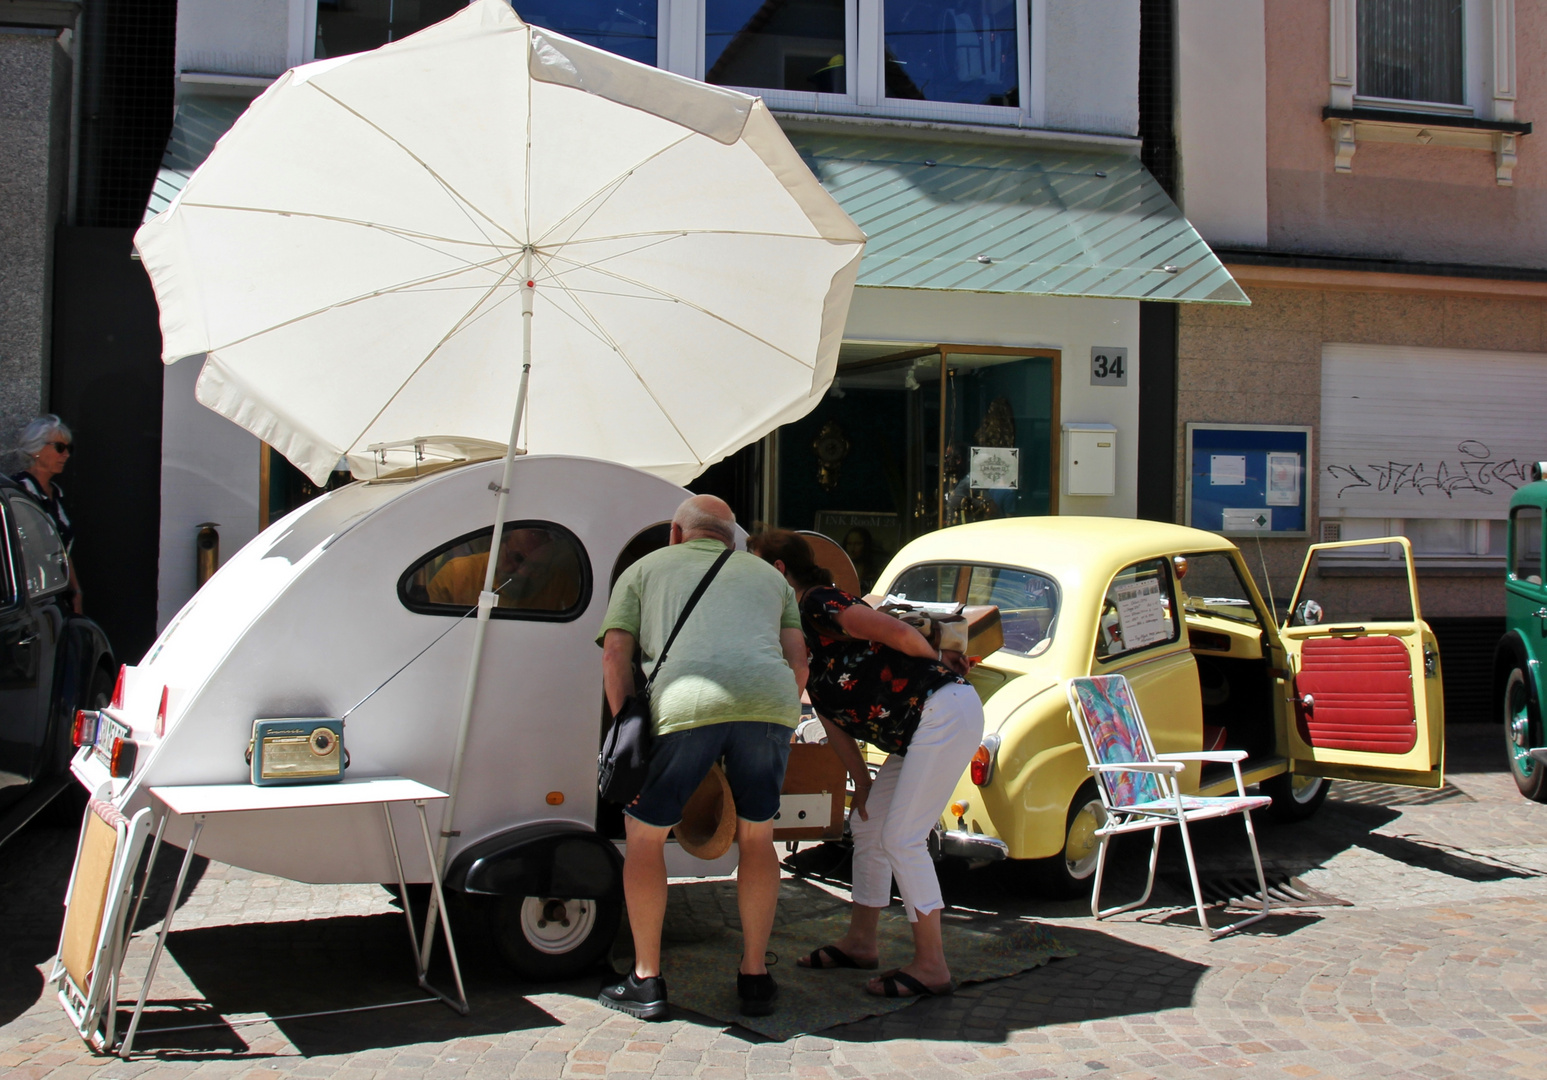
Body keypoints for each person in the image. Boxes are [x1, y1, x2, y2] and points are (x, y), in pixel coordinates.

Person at [597, 495, 808, 1021]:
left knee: (646, 836)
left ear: (676, 532)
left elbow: (614, 653)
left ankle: (646, 979)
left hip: (686, 701)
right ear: (731, 538)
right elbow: (797, 660)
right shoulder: (770, 578)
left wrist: (630, 726)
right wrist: (772, 710)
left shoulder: (643, 570)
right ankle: (755, 975)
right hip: (770, 704)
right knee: (758, 837)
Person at [750, 528, 984, 999]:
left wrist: (938, 660)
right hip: (920, 724)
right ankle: (861, 941)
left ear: (777, 572)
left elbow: (896, 632)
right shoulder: (794, 626)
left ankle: (931, 964)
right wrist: (860, 781)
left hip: (941, 709)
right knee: (873, 826)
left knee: (903, 837)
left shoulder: (816, 601)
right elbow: (829, 715)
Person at [13, 415, 82, 613]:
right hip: (28, 601)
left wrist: (76, 591)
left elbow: (62, 551)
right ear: (36, 449)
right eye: (60, 447)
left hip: (56, 599)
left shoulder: (56, 494)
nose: (66, 454)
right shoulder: (18, 492)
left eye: (69, 449)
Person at [426, 526, 578, 611]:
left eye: (535, 568)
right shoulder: (457, 574)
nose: (522, 572)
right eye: (518, 558)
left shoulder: (560, 586)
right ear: (503, 546)